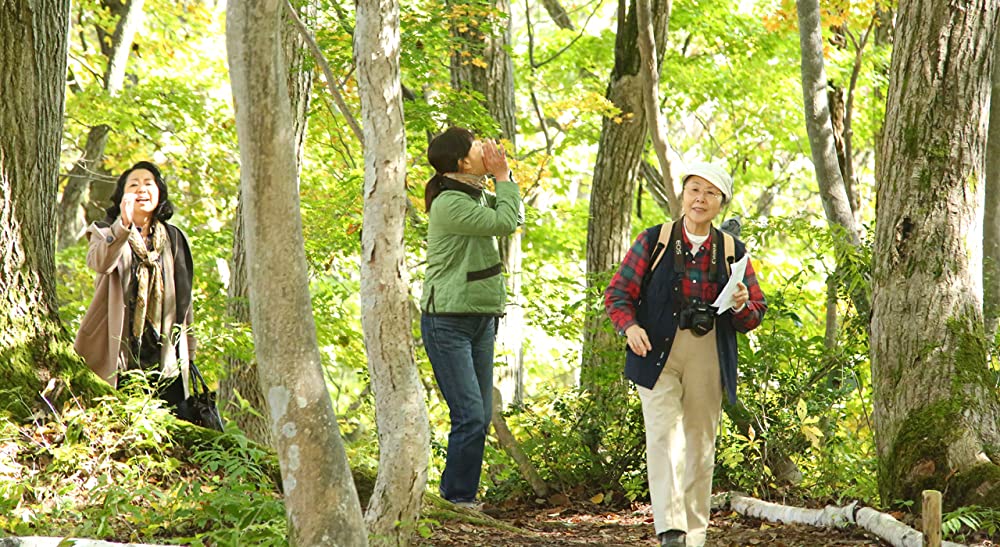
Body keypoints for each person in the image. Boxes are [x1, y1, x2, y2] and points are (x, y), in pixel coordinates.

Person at [604, 162, 766, 547]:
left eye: (711, 193)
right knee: (662, 435)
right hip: (655, 348)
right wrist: (630, 327)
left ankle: (695, 535)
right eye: (695, 189)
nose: (701, 199)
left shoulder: (732, 251)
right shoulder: (655, 240)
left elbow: (754, 313)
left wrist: (741, 303)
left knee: (700, 442)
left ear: (721, 203)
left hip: (707, 350)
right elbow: (617, 294)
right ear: (682, 194)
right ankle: (671, 530)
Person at [420, 127, 523, 509]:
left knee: (479, 415)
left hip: (480, 317)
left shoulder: (475, 194)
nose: (487, 148)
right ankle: (456, 499)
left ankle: (458, 497)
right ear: (462, 161)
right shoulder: (449, 203)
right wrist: (502, 179)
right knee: (469, 414)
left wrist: (503, 181)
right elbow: (505, 222)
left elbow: (514, 213)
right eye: (477, 145)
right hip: (447, 320)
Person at [74, 161, 196, 410]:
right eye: (134, 184)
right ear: (122, 196)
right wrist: (123, 227)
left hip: (163, 348)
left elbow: (184, 298)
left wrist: (189, 348)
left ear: (159, 192)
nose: (142, 189)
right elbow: (101, 263)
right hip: (119, 345)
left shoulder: (174, 239)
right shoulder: (106, 231)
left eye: (148, 184)